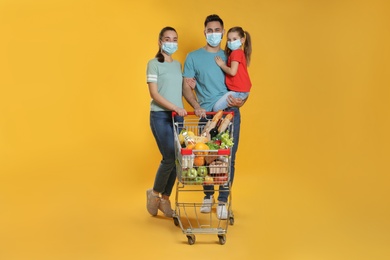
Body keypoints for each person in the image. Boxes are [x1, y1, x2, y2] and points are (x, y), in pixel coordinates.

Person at [182, 14, 247, 220]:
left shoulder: (231, 57)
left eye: (217, 30)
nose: (213, 34)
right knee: (205, 159)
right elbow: (186, 86)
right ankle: (208, 196)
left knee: (228, 158)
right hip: (206, 115)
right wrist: (196, 105)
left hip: (229, 114)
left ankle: (222, 201)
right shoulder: (193, 57)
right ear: (204, 32)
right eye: (209, 30)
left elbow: (240, 86)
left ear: (223, 32)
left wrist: (242, 101)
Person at [146, 26, 187, 218]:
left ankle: (165, 198)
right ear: (160, 41)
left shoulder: (177, 65)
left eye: (174, 39)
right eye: (167, 39)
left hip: (177, 117)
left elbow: (179, 88)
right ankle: (154, 194)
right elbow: (154, 93)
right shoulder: (153, 64)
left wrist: (190, 86)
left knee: (178, 160)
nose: (172, 42)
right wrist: (174, 107)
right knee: (169, 156)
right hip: (161, 115)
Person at [213, 27, 252, 112]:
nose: (231, 42)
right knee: (225, 109)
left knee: (216, 108)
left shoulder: (236, 53)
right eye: (229, 40)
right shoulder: (239, 52)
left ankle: (222, 123)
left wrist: (222, 65)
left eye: (234, 39)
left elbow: (232, 72)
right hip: (242, 91)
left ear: (242, 40)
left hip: (238, 91)